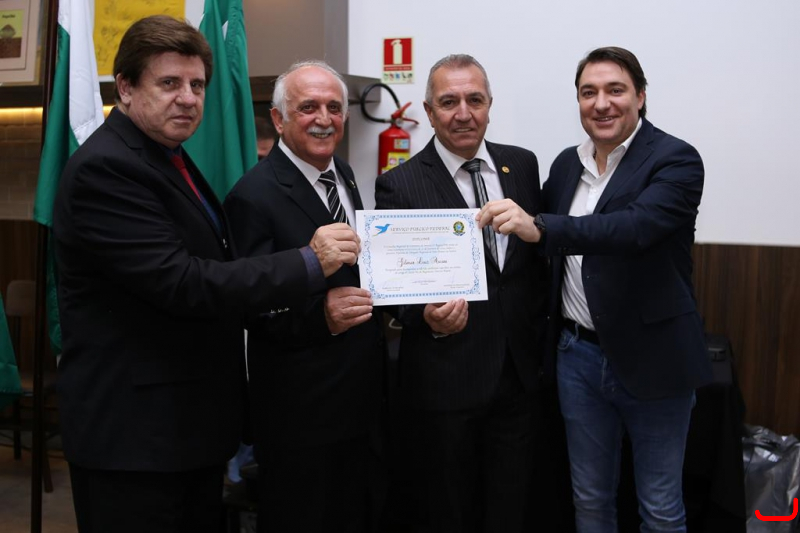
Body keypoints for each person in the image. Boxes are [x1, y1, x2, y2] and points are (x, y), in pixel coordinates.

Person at [52, 16, 359, 533]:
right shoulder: (107, 168)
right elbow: (184, 283)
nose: (188, 99)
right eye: (169, 83)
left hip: (183, 428)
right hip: (135, 439)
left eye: (196, 85)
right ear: (125, 87)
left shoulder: (166, 157)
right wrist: (309, 261)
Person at [477, 46, 714, 532]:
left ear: (640, 96)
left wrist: (540, 226)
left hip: (654, 357)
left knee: (660, 509)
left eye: (615, 90)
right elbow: (539, 253)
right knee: (588, 501)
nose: (601, 103)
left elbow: (633, 228)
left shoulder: (676, 159)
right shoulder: (568, 164)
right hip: (577, 358)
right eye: (589, 92)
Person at [375, 54, 548, 533]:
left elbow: (533, 262)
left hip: (519, 376)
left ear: (490, 104)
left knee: (511, 510)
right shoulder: (399, 184)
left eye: (475, 99)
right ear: (430, 112)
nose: (463, 113)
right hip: (447, 380)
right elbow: (392, 287)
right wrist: (424, 315)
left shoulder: (523, 165)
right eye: (449, 102)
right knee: (449, 511)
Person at [224, 60, 385, 533]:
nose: (323, 119)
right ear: (278, 119)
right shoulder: (252, 195)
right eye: (308, 107)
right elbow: (248, 305)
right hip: (300, 410)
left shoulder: (343, 173)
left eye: (334, 107)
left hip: (360, 397)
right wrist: (321, 317)